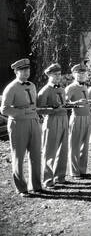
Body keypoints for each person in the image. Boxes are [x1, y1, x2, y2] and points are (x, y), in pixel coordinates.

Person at [0, 58, 42, 196]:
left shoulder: (32, 85)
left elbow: (34, 104)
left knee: (36, 154)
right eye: (22, 70)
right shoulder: (11, 88)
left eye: (27, 70)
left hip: (33, 122)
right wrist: (21, 112)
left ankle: (36, 185)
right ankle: (21, 188)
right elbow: (4, 109)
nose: (26, 73)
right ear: (16, 72)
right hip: (18, 124)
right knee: (18, 156)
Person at [37, 63, 69, 189]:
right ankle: (48, 180)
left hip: (64, 119)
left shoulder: (61, 89)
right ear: (49, 75)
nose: (57, 76)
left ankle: (60, 177)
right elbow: (39, 109)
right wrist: (53, 110)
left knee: (63, 150)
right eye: (55, 74)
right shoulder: (45, 90)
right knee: (50, 151)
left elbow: (64, 103)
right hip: (52, 121)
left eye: (59, 74)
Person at [65, 63, 91, 179]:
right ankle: (74, 172)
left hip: (87, 117)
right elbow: (65, 103)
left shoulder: (85, 87)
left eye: (83, 73)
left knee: (85, 146)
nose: (81, 75)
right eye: (78, 73)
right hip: (77, 118)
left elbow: (87, 102)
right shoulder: (70, 88)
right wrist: (74, 104)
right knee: (75, 146)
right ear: (74, 75)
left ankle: (82, 170)